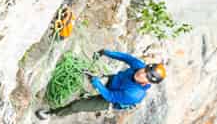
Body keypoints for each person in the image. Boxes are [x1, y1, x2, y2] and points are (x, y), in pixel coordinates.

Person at [36, 50, 164, 119]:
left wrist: (96, 82)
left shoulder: (134, 94)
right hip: (113, 81)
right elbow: (126, 58)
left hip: (111, 100)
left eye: (146, 76)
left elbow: (110, 96)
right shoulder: (138, 66)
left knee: (77, 106)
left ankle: (52, 113)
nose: (142, 74)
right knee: (83, 75)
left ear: (148, 82)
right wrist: (107, 53)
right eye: (145, 70)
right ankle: (86, 89)